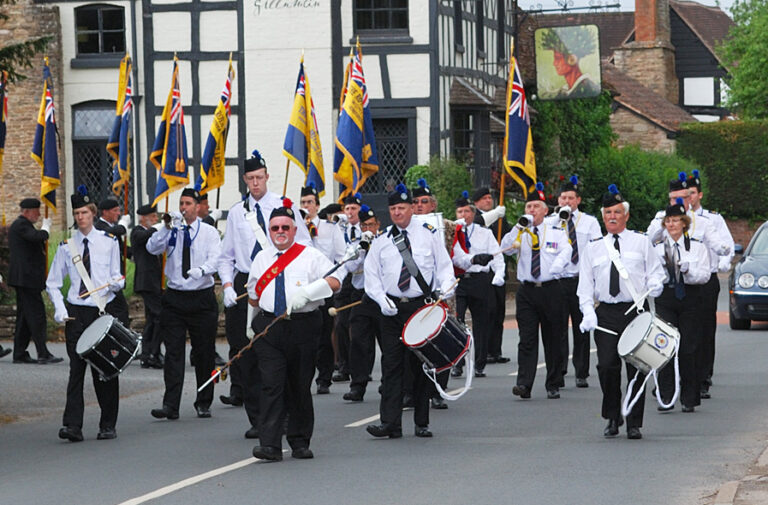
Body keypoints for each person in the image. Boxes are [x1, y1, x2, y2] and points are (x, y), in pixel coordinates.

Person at [218, 150, 308, 436]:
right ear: (244, 179)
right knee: (246, 355)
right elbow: (226, 256)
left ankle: (282, 416)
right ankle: (258, 419)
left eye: (259, 177)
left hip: (279, 278)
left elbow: (304, 246)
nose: (255, 183)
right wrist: (228, 286)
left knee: (280, 353)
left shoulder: (284, 206)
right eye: (250, 178)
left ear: (267, 177)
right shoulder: (236, 212)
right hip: (247, 281)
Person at [248, 198, 343, 461]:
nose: (280, 232)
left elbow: (336, 281)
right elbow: (253, 294)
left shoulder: (311, 256)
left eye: (285, 228)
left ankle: (300, 441)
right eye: (275, 228)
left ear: (294, 230)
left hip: (303, 326)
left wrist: (310, 292)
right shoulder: (261, 258)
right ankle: (270, 444)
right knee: (271, 384)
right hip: (269, 327)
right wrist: (252, 321)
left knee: (299, 385)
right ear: (270, 231)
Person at [364, 183, 455, 439]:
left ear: (412, 208)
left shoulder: (428, 235)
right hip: (393, 309)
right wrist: (381, 299)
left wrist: (446, 288)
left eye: (402, 207)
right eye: (393, 208)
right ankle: (390, 423)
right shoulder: (382, 241)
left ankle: (421, 422)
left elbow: (444, 267)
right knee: (391, 366)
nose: (397, 212)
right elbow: (372, 275)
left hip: (421, 308)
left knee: (421, 365)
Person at [578, 184, 664, 440]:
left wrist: (656, 284)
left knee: (637, 368)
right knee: (607, 366)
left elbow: (656, 272)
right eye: (607, 213)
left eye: (616, 212)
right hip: (605, 314)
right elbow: (585, 286)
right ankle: (613, 416)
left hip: (634, 311)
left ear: (625, 215)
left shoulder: (640, 242)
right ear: (603, 216)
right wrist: (587, 312)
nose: (612, 217)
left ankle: (634, 422)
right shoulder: (593, 247)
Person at [46, 187, 125, 441]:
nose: (80, 217)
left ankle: (108, 424)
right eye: (76, 213)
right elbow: (53, 283)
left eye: (84, 212)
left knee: (104, 370)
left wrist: (117, 283)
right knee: (76, 370)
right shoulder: (66, 247)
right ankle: (73, 425)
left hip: (101, 311)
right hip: (77, 314)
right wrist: (59, 308)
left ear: (92, 213)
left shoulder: (109, 242)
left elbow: (116, 275)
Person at [148, 188, 221, 420]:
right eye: (181, 203)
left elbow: (215, 259)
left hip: (201, 296)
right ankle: (171, 405)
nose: (183, 207)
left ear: (197, 207)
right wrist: (166, 228)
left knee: (204, 353)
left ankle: (204, 401)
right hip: (175, 297)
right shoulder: (171, 231)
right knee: (173, 353)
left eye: (188, 203)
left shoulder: (208, 232)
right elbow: (152, 248)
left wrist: (202, 270)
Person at [501, 183, 571, 400]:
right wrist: (518, 228)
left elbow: (566, 250)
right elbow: (506, 246)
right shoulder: (521, 231)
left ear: (545, 210)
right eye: (528, 206)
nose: (531, 210)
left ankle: (553, 383)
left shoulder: (556, 231)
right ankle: (524, 384)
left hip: (550, 289)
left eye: (535, 206)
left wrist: (557, 267)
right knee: (527, 339)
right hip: (527, 291)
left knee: (553, 338)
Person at [652, 198, 711, 412]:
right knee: (665, 348)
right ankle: (665, 396)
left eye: (676, 220)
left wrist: (688, 272)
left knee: (688, 348)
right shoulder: (657, 249)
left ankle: (689, 398)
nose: (671, 225)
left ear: (684, 223)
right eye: (668, 221)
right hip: (666, 298)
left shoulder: (696, 247)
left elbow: (704, 276)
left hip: (689, 298)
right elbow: (651, 275)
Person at [544, 176, 601, 388]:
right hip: (558, 280)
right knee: (557, 328)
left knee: (581, 327)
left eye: (570, 198)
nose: (566, 202)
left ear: (578, 200)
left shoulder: (589, 222)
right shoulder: (551, 222)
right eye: (563, 198)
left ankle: (581, 371)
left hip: (580, 280)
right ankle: (559, 369)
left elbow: (596, 250)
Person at [687, 170, 734, 398]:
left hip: (707, 280)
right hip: (684, 281)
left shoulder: (713, 219)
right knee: (684, 329)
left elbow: (728, 245)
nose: (689, 197)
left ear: (700, 194)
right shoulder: (676, 219)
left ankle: (704, 376)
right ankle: (681, 376)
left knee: (705, 329)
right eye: (686, 193)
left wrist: (724, 263)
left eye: (693, 193)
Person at [451, 191, 505, 379]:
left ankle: (479, 363)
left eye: (467, 211)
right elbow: (455, 257)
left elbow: (497, 255)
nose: (463, 215)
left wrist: (499, 274)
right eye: (460, 212)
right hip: (459, 282)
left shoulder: (485, 233)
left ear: (473, 214)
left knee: (481, 324)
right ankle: (456, 362)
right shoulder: (451, 233)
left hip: (480, 281)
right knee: (456, 322)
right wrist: (472, 259)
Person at [300, 184, 346, 395]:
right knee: (306, 335)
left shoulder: (330, 227)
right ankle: (304, 376)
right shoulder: (296, 227)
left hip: (324, 286)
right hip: (304, 288)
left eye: (309, 202)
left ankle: (324, 377)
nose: (306, 206)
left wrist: (336, 282)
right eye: (303, 203)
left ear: (317, 205)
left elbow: (341, 257)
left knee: (325, 333)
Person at [8, 198, 61, 364]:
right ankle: (42, 353)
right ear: (26, 212)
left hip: (26, 279)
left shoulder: (23, 225)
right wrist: (45, 228)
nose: (38, 214)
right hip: (26, 279)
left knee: (25, 317)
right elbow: (37, 237)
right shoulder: (21, 225)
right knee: (37, 316)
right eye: (36, 211)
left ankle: (19, 353)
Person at [342, 205, 379, 402]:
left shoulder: (385, 242)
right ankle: (358, 385)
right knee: (358, 341)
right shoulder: (355, 245)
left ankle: (390, 384)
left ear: (378, 225)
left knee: (388, 342)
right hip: (361, 295)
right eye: (364, 225)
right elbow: (349, 266)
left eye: (371, 225)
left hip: (382, 295)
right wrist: (362, 250)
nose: (368, 229)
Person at [472, 187, 510, 364]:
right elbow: (478, 223)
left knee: (499, 312)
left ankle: (496, 350)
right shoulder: (477, 217)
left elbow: (507, 236)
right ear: (476, 202)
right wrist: (496, 214)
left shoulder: (499, 217)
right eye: (485, 198)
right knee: (487, 313)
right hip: (484, 273)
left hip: (499, 271)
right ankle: (485, 350)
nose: (488, 201)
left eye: (490, 198)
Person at [332, 192, 363, 383]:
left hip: (360, 280)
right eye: (347, 208)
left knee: (358, 326)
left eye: (354, 208)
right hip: (343, 280)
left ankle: (360, 366)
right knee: (341, 324)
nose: (350, 212)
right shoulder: (339, 229)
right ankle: (344, 366)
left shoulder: (365, 229)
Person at [130, 204, 164, 369]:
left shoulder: (150, 232)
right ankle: (153, 353)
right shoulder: (137, 231)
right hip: (147, 281)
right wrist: (158, 227)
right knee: (160, 316)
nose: (156, 219)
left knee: (152, 318)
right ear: (144, 218)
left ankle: (147, 353)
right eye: (154, 217)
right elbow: (142, 237)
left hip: (154, 281)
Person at [94, 198, 131, 325]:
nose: (118, 213)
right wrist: (124, 224)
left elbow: (121, 249)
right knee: (119, 311)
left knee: (120, 311)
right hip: (104, 280)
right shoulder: (99, 227)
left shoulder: (111, 227)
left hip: (113, 279)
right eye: (115, 211)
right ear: (105, 212)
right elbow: (116, 232)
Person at [540, 26, 600, 99]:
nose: (554, 63)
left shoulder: (586, 87)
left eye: (558, 58)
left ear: (572, 59)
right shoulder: (567, 89)